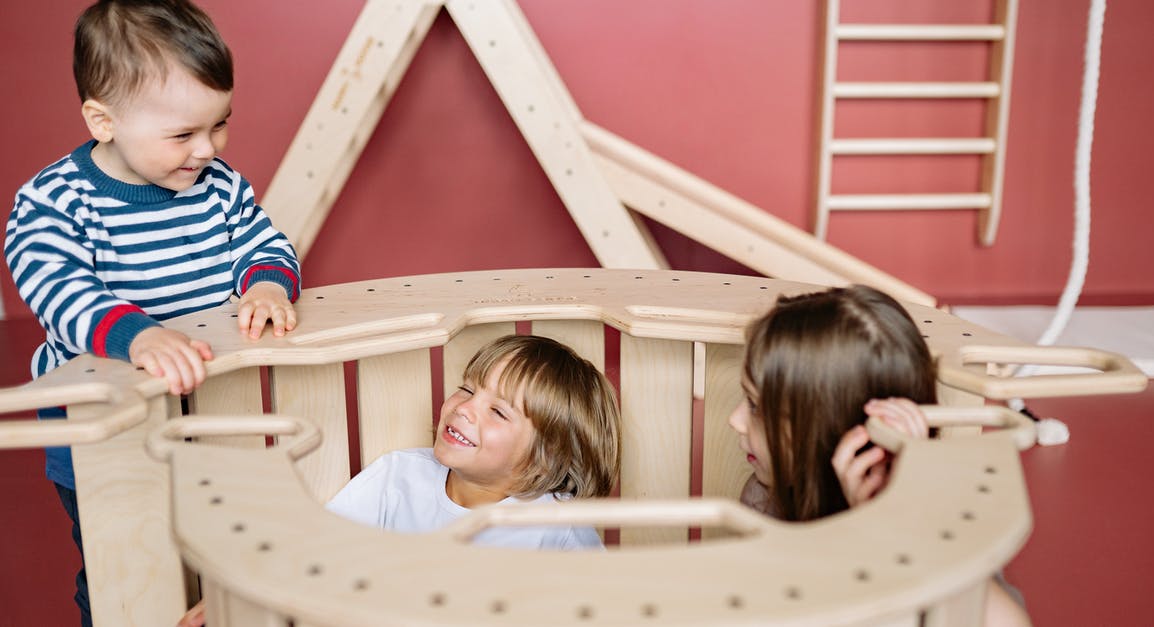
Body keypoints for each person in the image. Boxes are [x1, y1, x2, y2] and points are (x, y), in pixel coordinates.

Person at [4, 1, 301, 624]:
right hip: (111, 421)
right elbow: (52, 282)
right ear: (103, 121)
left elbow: (263, 242)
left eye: (219, 124)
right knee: (131, 565)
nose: (206, 150)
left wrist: (269, 285)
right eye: (182, 134)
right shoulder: (58, 200)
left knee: (223, 551)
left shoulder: (219, 186)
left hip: (214, 405)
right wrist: (135, 336)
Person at [178, 334, 621, 626]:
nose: (464, 408)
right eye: (468, 389)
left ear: (543, 463)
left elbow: (604, 605)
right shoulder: (399, 475)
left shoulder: (554, 523)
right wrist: (240, 595)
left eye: (498, 411)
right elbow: (317, 546)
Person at [728, 285, 1030, 626]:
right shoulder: (766, 500)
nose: (734, 419)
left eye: (755, 406)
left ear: (831, 433)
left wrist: (901, 519)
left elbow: (1007, 621)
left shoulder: (940, 516)